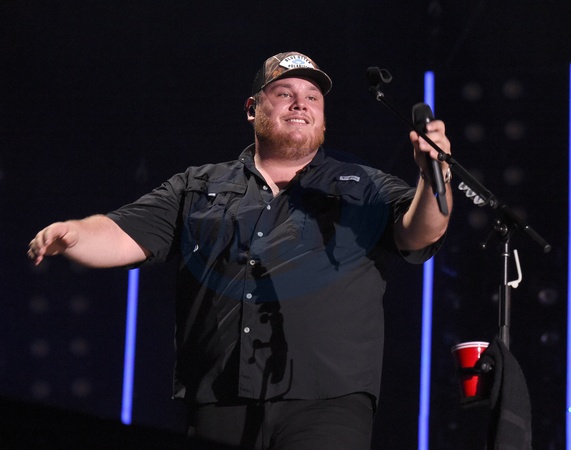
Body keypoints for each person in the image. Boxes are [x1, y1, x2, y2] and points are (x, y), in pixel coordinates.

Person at [28, 51, 453, 449]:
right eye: (284, 93)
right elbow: (124, 233)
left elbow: (420, 232)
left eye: (312, 97)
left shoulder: (364, 186)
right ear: (253, 109)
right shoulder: (198, 186)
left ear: (323, 117)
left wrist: (436, 176)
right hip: (218, 397)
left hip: (327, 402)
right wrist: (75, 233)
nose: (300, 104)